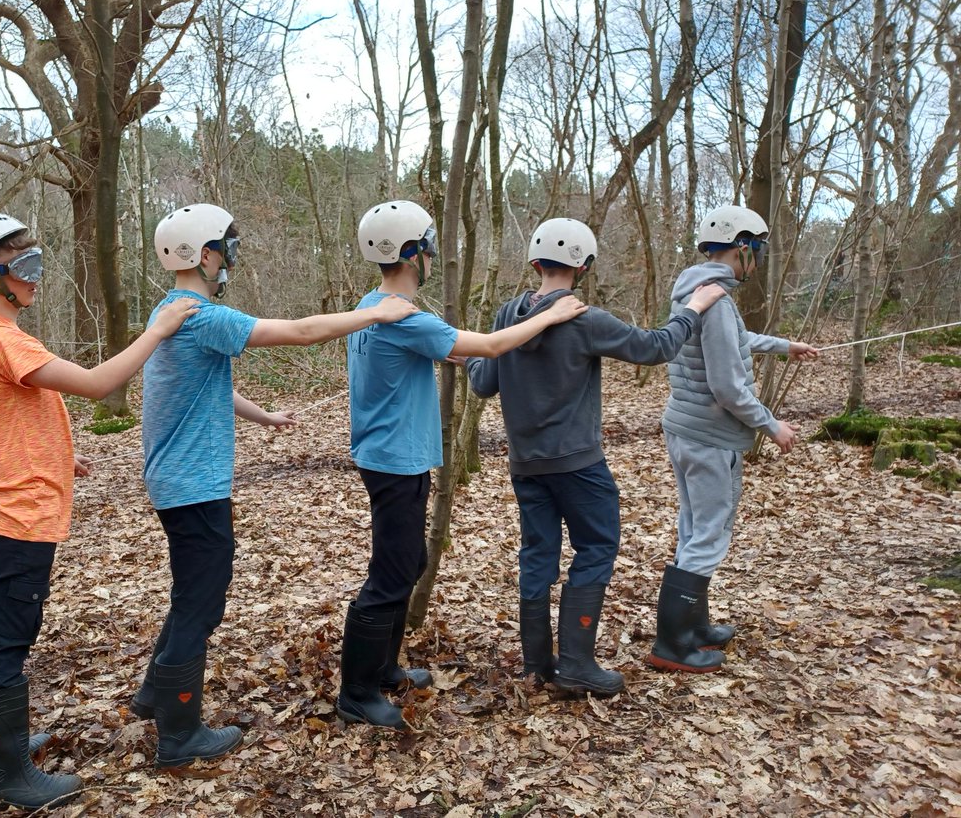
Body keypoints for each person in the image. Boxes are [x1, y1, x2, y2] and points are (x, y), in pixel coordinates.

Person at [130, 203, 418, 768]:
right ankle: (179, 735)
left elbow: (200, 389)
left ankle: (152, 696)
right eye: (227, 249)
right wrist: (375, 315)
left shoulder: (172, 311)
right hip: (193, 486)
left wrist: (264, 416)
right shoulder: (203, 316)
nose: (230, 259)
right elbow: (303, 332)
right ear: (203, 254)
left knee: (191, 594)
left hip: (179, 480)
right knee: (201, 605)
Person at [0, 212, 197, 809]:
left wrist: (58, 455)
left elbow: (3, 418)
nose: (36, 279)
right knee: (7, 639)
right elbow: (98, 382)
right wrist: (157, 330)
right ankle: (4, 774)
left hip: (12, 499)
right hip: (18, 514)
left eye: (39, 265)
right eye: (24, 267)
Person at [338, 200, 590, 729]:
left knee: (405, 564)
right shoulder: (402, 315)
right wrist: (552, 313)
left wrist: (461, 352)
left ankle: (384, 669)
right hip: (395, 459)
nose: (432, 254)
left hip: (387, 454)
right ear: (413, 254)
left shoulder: (375, 306)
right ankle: (357, 690)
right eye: (427, 246)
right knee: (391, 571)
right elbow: (494, 345)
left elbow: (449, 350)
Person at [464, 218, 726, 696]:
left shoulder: (507, 316)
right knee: (597, 549)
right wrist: (694, 306)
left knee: (537, 554)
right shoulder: (586, 318)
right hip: (579, 466)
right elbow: (657, 347)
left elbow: (484, 382)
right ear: (583, 266)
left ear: (535, 262)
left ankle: (537, 664)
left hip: (526, 465)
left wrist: (466, 360)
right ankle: (577, 665)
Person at [648, 205, 818, 673]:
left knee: (694, 527)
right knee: (709, 532)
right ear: (743, 247)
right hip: (709, 435)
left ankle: (694, 627)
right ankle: (673, 644)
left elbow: (732, 341)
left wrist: (784, 346)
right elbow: (727, 385)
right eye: (757, 250)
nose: (757, 260)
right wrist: (771, 424)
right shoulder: (717, 300)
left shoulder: (695, 291)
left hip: (685, 428)